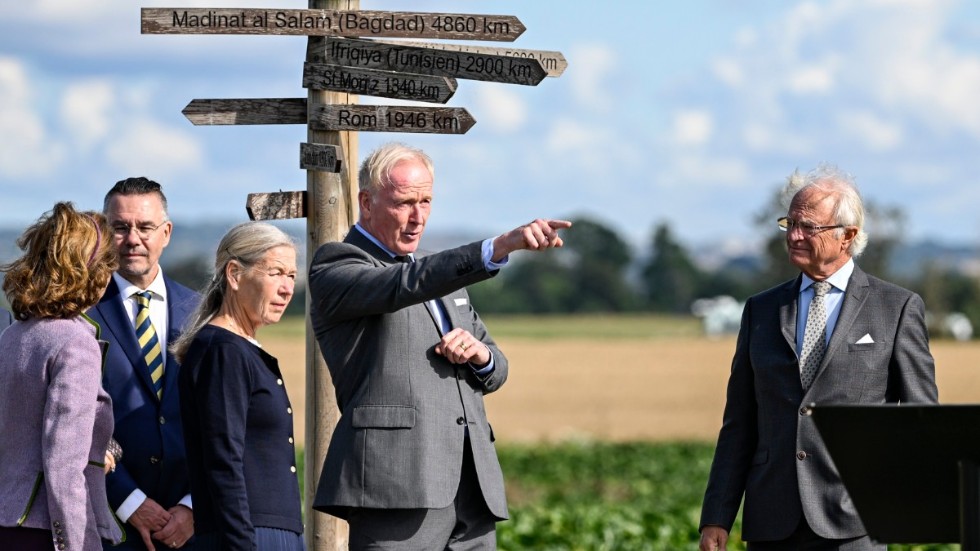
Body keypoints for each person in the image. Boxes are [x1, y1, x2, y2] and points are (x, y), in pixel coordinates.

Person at [308, 142, 572, 550]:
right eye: (404, 203)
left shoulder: (443, 280)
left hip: (472, 491)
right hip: (395, 488)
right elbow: (402, 286)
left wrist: (479, 355)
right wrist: (498, 247)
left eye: (426, 201)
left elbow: (498, 368)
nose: (418, 217)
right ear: (366, 201)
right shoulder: (338, 265)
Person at [699, 165, 939, 551]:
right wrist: (716, 516)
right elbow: (739, 423)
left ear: (848, 236)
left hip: (856, 522)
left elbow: (920, 420)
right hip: (771, 522)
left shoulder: (896, 308)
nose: (793, 235)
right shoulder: (761, 310)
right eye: (789, 223)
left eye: (809, 227)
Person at [171, 222, 303, 551]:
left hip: (271, 532)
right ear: (234, 274)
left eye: (291, 275)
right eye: (276, 272)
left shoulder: (239, 348)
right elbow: (224, 461)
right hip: (247, 536)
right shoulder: (223, 351)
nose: (287, 288)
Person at [0, 202, 123, 550]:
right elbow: (65, 468)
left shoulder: (12, 336)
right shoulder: (74, 345)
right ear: (95, 273)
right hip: (48, 533)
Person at [86, 177, 199, 551]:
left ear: (166, 232)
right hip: (110, 523)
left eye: (146, 227)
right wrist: (129, 502)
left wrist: (191, 506)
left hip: (193, 527)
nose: (133, 239)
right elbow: (74, 419)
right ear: (104, 232)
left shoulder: (203, 312)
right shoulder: (81, 314)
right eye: (120, 227)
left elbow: (224, 416)